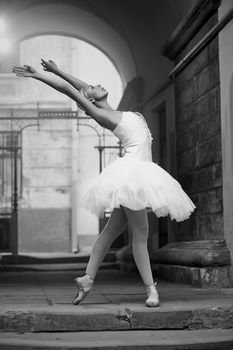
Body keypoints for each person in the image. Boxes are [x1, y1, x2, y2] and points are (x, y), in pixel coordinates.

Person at [12, 60, 196, 308]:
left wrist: (58, 70)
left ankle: (87, 279)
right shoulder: (102, 115)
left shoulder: (112, 109)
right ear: (90, 100)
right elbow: (71, 91)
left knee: (112, 230)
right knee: (140, 234)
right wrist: (38, 76)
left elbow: (81, 87)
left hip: (138, 172)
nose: (96, 85)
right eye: (92, 88)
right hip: (132, 173)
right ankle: (151, 290)